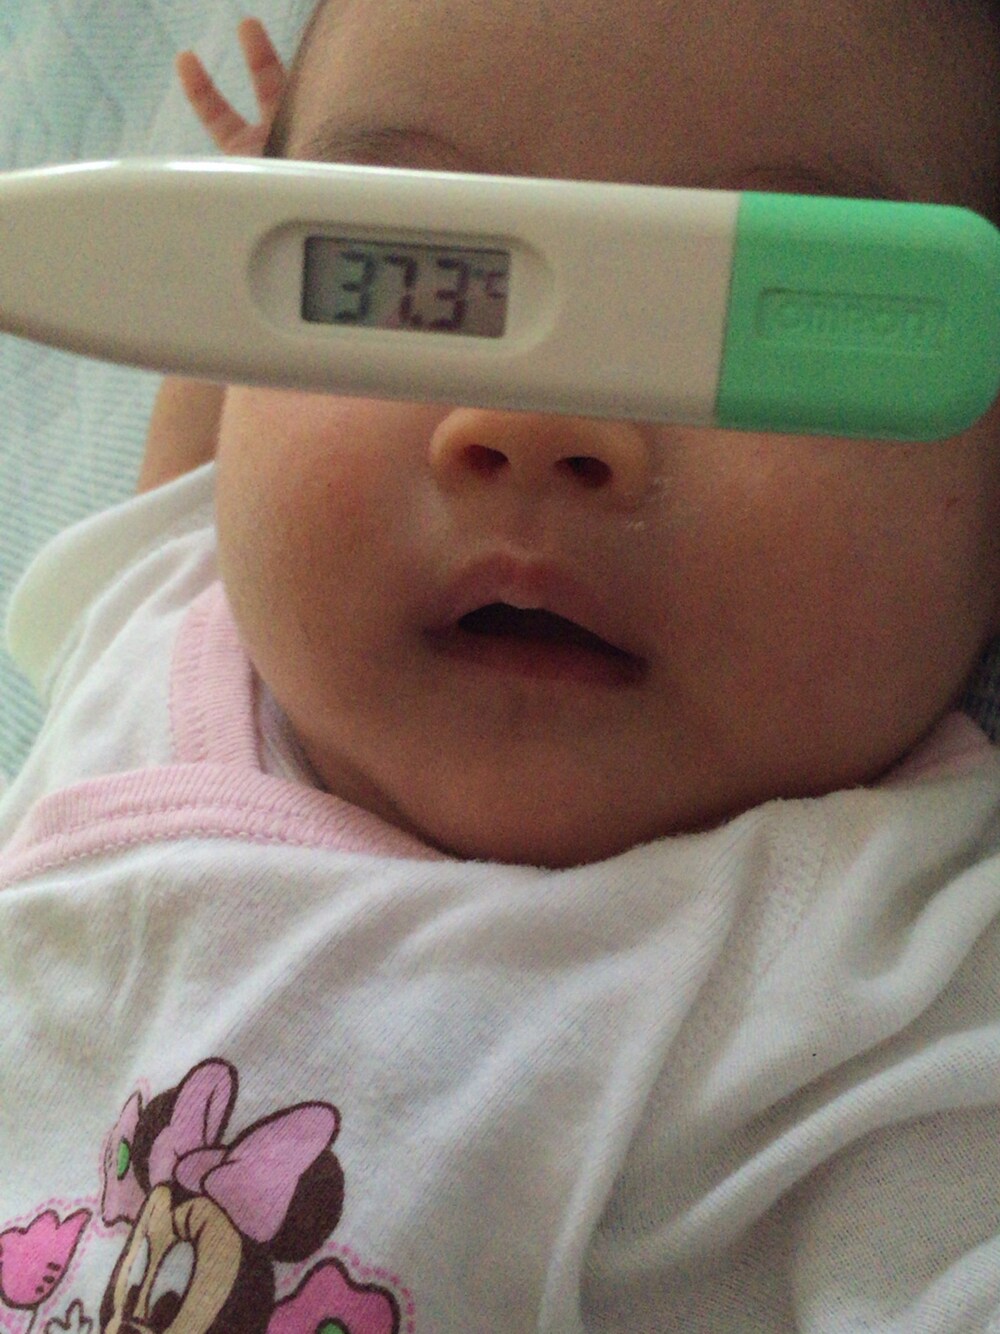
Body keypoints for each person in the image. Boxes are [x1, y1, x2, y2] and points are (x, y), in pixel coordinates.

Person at [0, 3, 998, 1331]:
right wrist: (228, 248)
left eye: (750, 315)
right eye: (391, 275)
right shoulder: (165, 609)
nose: (534, 420)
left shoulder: (884, 976)